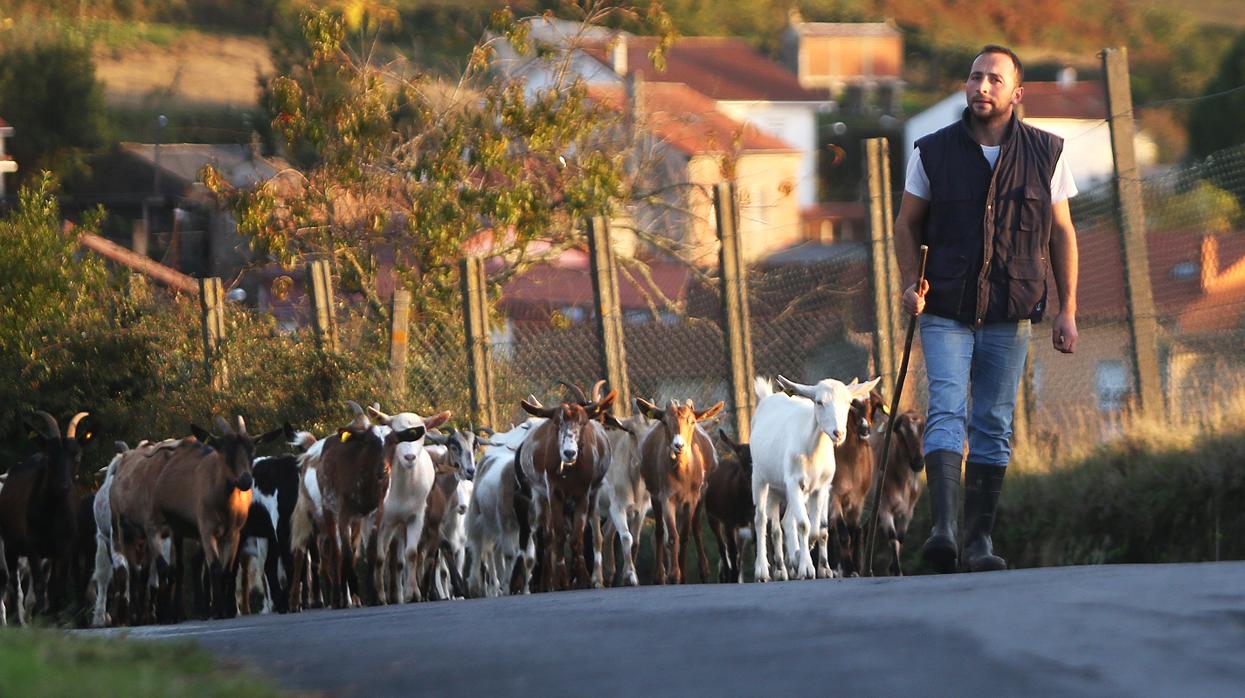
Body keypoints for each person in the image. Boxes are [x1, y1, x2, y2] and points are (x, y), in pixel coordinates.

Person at [893, 45, 1079, 573]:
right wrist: (911, 284)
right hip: (945, 306)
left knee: (993, 422)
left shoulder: (1048, 154)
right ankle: (944, 532)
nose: (981, 87)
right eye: (975, 77)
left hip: (1010, 309)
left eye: (994, 79)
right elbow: (905, 224)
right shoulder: (931, 151)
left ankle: (979, 542)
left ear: (1016, 93)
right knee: (947, 410)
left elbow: (1062, 233)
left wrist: (1068, 310)